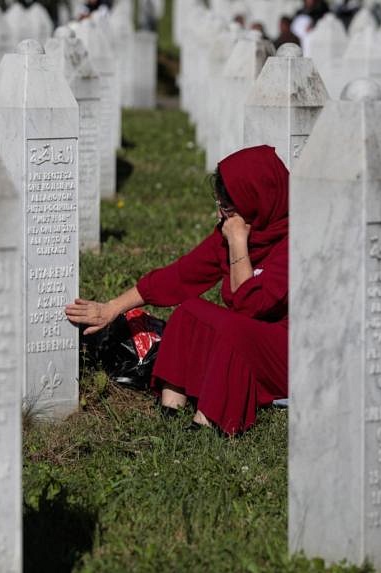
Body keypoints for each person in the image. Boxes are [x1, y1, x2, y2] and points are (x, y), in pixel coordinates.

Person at [65, 146, 289, 435]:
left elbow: (251, 305)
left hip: (288, 354)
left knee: (234, 330)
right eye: (219, 203)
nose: (220, 214)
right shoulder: (235, 228)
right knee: (189, 311)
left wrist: (238, 243)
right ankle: (171, 406)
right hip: (249, 340)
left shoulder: (295, 240)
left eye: (227, 207)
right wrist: (110, 308)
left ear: (257, 200)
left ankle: (210, 422)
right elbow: (180, 277)